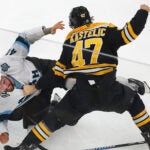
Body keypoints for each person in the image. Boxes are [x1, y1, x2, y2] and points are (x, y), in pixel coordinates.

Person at [4, 4, 150, 150]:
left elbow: (57, 73)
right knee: (134, 102)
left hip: (82, 94)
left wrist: (36, 87)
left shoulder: (71, 39)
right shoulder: (105, 28)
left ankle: (25, 146)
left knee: (54, 118)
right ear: (89, 18)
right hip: (108, 90)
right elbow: (130, 33)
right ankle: (148, 131)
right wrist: (143, 11)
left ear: (72, 22)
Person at [0, 21, 65, 144]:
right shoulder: (2, 100)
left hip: (43, 69)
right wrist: (3, 132)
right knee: (33, 129)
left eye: (1, 82)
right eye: (0, 90)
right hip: (35, 96)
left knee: (71, 81)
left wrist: (47, 30)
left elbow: (24, 36)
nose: (5, 87)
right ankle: (54, 106)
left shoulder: (8, 62)